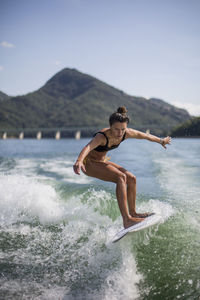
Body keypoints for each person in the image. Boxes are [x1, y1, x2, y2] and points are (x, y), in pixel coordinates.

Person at [73, 106, 171, 229]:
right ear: (110, 126)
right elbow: (88, 147)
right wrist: (79, 160)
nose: (120, 133)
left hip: (102, 161)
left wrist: (161, 141)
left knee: (131, 178)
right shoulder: (102, 136)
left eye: (123, 129)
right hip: (89, 164)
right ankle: (127, 220)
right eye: (116, 129)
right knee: (120, 177)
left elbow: (144, 135)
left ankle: (133, 213)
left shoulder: (126, 133)